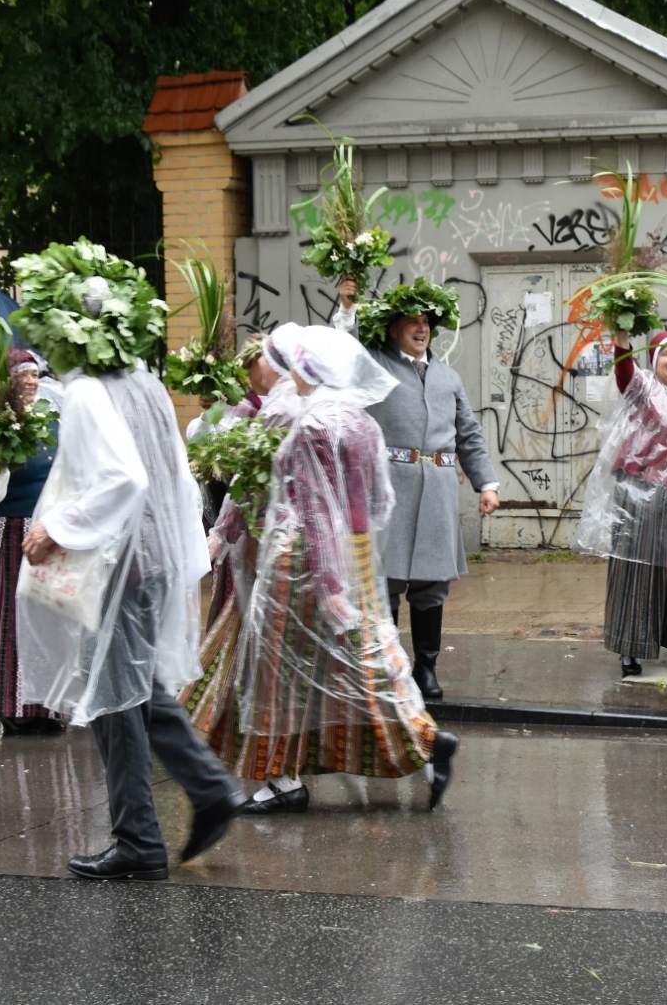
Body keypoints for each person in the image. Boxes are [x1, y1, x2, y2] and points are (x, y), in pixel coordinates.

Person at [13, 267, 242, 882]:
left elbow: (126, 479)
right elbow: (172, 470)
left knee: (117, 703)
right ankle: (208, 787)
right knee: (134, 689)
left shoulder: (88, 391)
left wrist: (58, 529)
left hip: (118, 564)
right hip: (155, 556)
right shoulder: (143, 381)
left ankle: (139, 841)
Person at [233, 325, 459, 813]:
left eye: (295, 362)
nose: (288, 369)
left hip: (305, 561)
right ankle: (425, 742)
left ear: (308, 369)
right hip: (354, 552)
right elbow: (378, 502)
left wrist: (330, 582)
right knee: (368, 657)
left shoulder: (314, 424)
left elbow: (314, 508)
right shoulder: (361, 422)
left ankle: (281, 781)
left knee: (279, 668)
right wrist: (352, 561)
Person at [334, 277, 499, 700]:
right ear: (394, 329)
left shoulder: (448, 377)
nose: (421, 328)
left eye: (426, 322)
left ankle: (426, 669)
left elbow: (470, 435)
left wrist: (486, 483)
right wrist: (348, 307)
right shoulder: (374, 366)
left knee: (431, 584)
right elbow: (346, 353)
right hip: (390, 489)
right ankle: (387, 668)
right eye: (412, 321)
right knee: (385, 581)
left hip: (439, 491)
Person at [185, 330, 299, 768]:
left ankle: (221, 730)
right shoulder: (228, 415)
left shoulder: (278, 411)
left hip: (266, 545)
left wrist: (220, 534)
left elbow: (253, 482)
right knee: (241, 639)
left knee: (255, 644)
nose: (256, 368)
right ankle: (219, 728)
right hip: (246, 545)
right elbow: (225, 484)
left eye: (263, 358)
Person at [574, 329, 667, 677]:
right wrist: (622, 337)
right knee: (638, 570)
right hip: (643, 492)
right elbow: (624, 372)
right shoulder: (644, 386)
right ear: (654, 360)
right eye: (666, 353)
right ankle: (631, 645)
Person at [0, 349, 62, 736]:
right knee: (9, 615)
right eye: (24, 375)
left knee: (45, 615)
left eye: (36, 375)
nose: (32, 382)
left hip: (44, 529)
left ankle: (48, 705)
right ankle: (13, 704)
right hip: (7, 531)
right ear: (4, 382)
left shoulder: (51, 420)